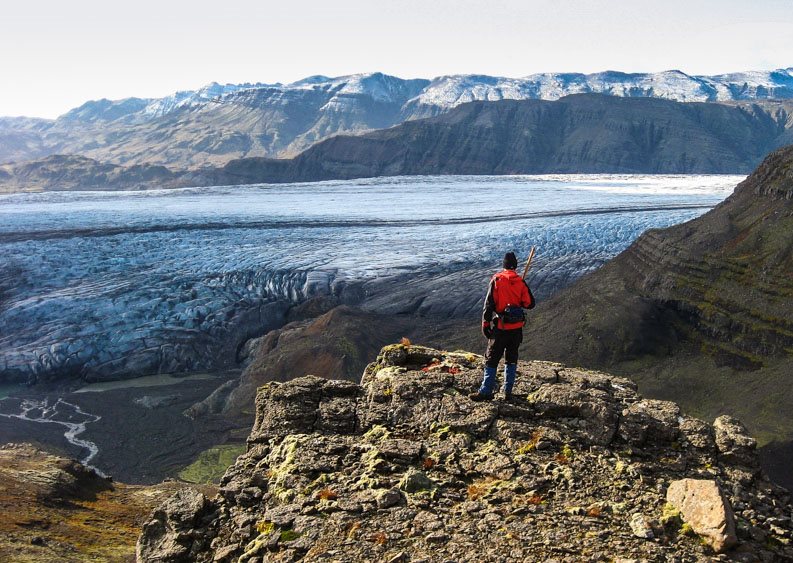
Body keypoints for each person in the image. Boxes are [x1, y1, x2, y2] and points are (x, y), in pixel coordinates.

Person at [469, 251, 535, 401]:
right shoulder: (520, 281)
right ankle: (507, 392)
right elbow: (530, 304)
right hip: (516, 329)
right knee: (511, 359)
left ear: (504, 265)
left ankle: (485, 391)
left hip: (501, 328)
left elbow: (489, 305)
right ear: (515, 265)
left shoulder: (497, 280)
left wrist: (485, 323)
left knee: (491, 359)